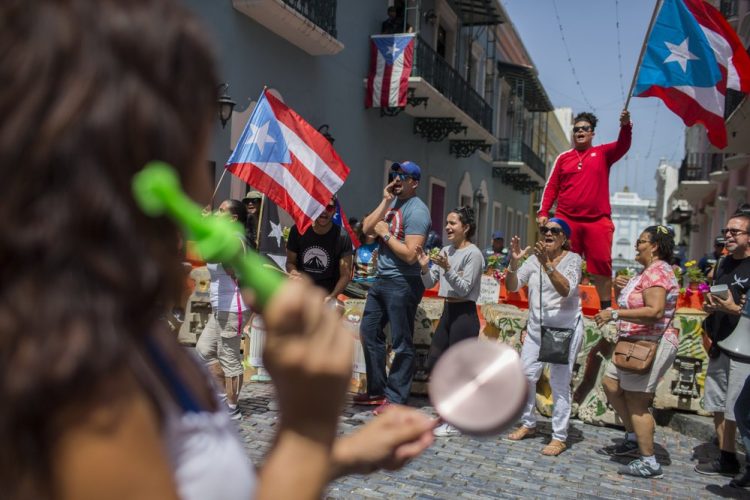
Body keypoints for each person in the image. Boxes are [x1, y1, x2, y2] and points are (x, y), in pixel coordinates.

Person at [0, 1, 437, 498]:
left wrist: (340, 457)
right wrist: (307, 429)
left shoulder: (128, 336)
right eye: (191, 133)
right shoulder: (82, 388)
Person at [594, 225, 679, 479]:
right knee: (610, 384)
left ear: (654, 246)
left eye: (641, 241)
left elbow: (654, 311)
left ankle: (649, 461)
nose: (636, 245)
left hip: (649, 344)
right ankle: (633, 436)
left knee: (637, 401)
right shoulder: (647, 272)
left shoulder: (658, 272)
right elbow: (635, 303)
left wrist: (614, 313)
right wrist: (622, 290)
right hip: (632, 342)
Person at [538, 110, 632, 311]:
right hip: (566, 219)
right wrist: (543, 212)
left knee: (601, 265)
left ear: (592, 133)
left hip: (597, 221)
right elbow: (552, 186)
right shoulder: (564, 158)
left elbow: (623, 145)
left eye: (585, 129)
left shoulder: (603, 153)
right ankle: (555, 303)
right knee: (561, 261)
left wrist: (626, 126)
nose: (580, 132)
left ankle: (605, 308)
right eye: (577, 129)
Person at [505, 218, 584, 456]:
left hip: (563, 329)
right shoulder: (532, 259)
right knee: (526, 375)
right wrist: (513, 262)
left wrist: (547, 264)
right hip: (537, 328)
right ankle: (528, 423)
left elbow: (566, 289)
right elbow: (512, 286)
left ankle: (559, 436)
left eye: (554, 231)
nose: (548, 233)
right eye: (544, 230)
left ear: (564, 238)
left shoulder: (573, 260)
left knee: (559, 383)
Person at [358, 161, 431, 414]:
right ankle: (378, 391)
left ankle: (397, 398)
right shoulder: (392, 204)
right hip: (382, 279)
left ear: (415, 182)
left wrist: (386, 234)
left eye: (403, 176)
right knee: (368, 332)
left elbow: (411, 255)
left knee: (401, 342)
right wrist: (384, 201)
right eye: (395, 174)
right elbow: (367, 229)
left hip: (403, 282)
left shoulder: (417, 211)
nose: (397, 179)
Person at [416, 206, 485, 437]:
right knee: (434, 363)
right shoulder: (446, 250)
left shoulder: (473, 254)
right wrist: (425, 266)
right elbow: (429, 283)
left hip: (465, 315)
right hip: (448, 312)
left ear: (466, 228)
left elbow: (465, 288)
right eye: (447, 222)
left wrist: (448, 269)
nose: (447, 227)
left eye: (453, 223)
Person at [693, 210, 750, 478]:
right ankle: (726, 456)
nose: (727, 236)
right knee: (716, 401)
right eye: (726, 231)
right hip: (719, 340)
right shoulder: (723, 263)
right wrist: (710, 306)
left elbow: (743, 309)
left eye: (734, 232)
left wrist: (733, 309)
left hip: (744, 348)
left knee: (734, 405)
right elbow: (716, 293)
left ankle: (734, 457)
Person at [195, 199, 251, 420]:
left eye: (221, 210)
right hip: (220, 305)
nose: (217, 213)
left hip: (234, 306)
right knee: (203, 349)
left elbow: (210, 254)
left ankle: (232, 407)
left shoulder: (236, 240)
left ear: (233, 218)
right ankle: (222, 394)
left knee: (229, 355)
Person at [286, 196, 353, 300]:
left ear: (335, 210)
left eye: (329, 207)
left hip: (327, 295)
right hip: (301, 293)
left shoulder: (342, 236)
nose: (324, 211)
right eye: (319, 207)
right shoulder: (298, 230)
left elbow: (345, 275)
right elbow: (290, 262)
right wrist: (294, 273)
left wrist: (332, 296)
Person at [345, 221, 379, 299]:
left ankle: (366, 294)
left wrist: (376, 263)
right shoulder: (356, 246)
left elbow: (384, 271)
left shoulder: (381, 247)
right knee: (341, 284)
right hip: (357, 283)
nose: (372, 230)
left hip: (374, 283)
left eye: (375, 228)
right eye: (370, 228)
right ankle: (365, 294)